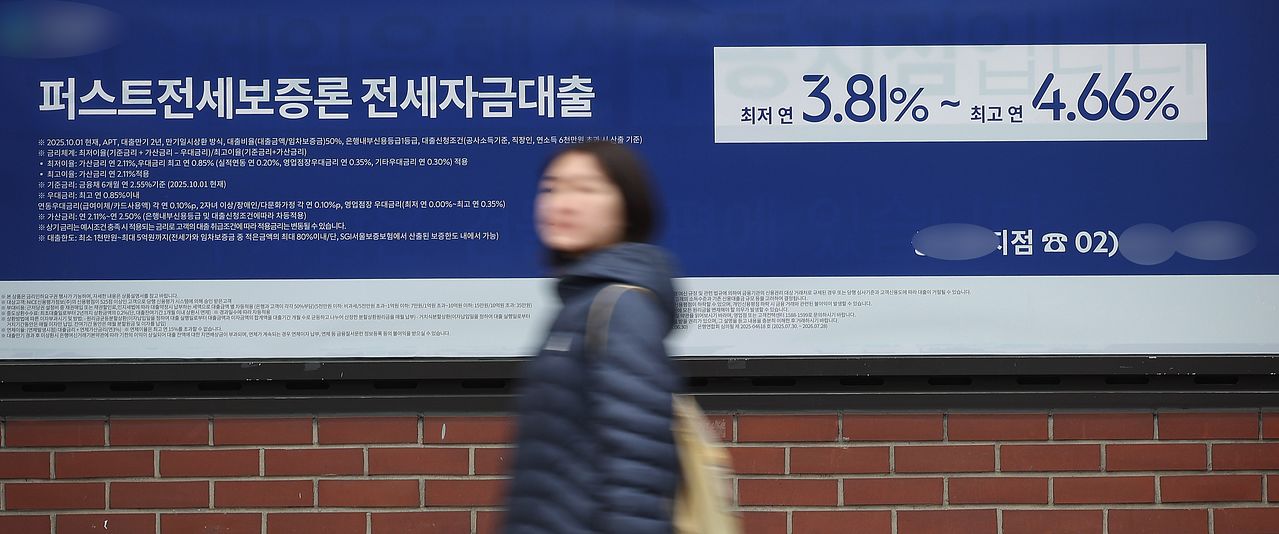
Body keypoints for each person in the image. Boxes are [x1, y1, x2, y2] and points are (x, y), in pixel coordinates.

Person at [503, 141, 681, 534]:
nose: (562, 203)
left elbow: (638, 468)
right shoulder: (580, 303)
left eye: (586, 189)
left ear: (627, 209)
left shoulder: (618, 308)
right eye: (552, 188)